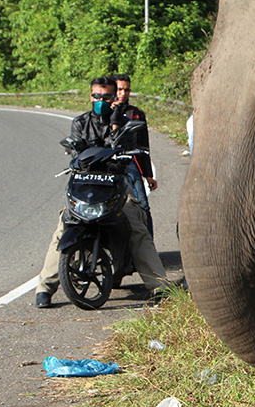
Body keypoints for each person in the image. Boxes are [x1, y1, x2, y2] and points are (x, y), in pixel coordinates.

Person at [35, 77, 168, 308]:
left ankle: (160, 287)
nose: (100, 100)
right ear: (90, 96)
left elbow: (129, 148)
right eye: (96, 96)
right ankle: (44, 288)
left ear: (114, 97)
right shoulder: (80, 122)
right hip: (87, 188)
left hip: (117, 187)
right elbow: (77, 150)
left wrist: (116, 123)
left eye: (106, 96)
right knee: (63, 225)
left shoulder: (125, 122)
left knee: (137, 227)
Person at [113, 74, 156, 234]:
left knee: (143, 205)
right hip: (110, 164)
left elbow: (144, 145)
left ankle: (149, 249)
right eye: (119, 89)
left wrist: (148, 175)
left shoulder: (136, 114)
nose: (123, 93)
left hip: (131, 163)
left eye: (126, 90)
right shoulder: (105, 112)